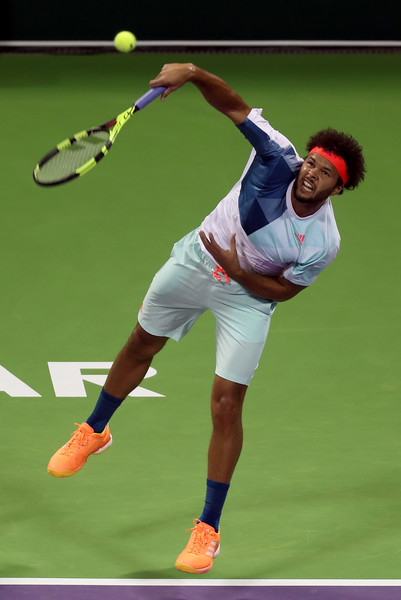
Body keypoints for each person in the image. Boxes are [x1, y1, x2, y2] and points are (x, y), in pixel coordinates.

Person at [47, 63, 366, 574]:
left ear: (339, 188)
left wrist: (238, 268)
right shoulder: (275, 155)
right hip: (197, 259)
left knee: (226, 404)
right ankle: (94, 429)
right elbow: (233, 104)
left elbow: (282, 291)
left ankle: (207, 530)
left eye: (325, 173)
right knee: (140, 344)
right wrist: (192, 73)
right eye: (311, 163)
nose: (310, 173)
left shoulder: (325, 243)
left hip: (249, 297)